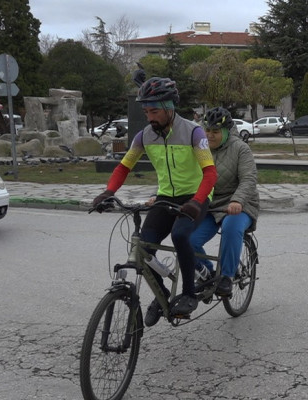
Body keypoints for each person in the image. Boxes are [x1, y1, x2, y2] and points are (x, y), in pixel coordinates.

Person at [91, 77, 218, 325]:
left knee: (181, 235)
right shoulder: (144, 136)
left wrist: (197, 201)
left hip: (195, 196)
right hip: (165, 197)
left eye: (155, 110)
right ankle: (161, 295)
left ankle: (190, 294)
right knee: (144, 248)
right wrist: (108, 192)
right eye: (146, 111)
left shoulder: (194, 131)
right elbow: (124, 167)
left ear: (170, 107)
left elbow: (210, 173)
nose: (150, 116)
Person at [190, 107, 260, 298]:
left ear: (227, 131)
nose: (210, 136)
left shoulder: (240, 149)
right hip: (211, 204)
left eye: (215, 131)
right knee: (189, 240)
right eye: (207, 130)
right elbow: (188, 176)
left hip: (240, 203)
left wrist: (237, 200)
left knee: (231, 227)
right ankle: (209, 274)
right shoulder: (199, 148)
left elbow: (248, 179)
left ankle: (226, 277)